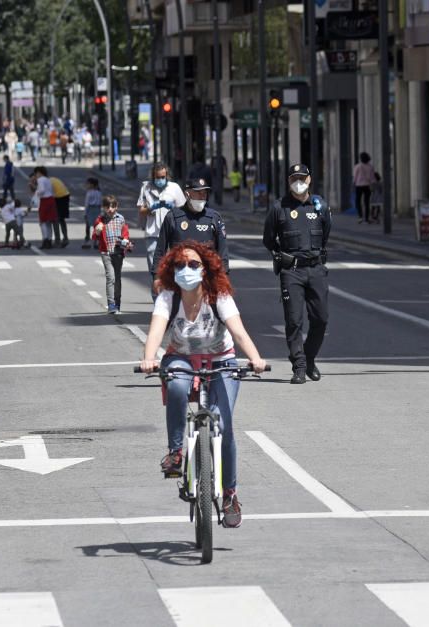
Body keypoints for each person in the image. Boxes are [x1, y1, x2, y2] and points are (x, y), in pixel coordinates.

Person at [139, 242, 268, 529]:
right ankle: (176, 452)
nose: (187, 270)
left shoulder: (218, 296)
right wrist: (149, 358)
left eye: (194, 264)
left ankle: (230, 495)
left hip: (221, 359)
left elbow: (238, 331)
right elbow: (156, 331)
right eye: (180, 265)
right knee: (175, 386)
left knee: (225, 424)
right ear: (172, 270)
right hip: (181, 358)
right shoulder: (168, 297)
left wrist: (256, 359)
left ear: (205, 268)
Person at [262, 164, 331, 384]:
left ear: (309, 180)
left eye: (302, 178)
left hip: (316, 269)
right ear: (288, 181)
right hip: (291, 271)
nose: (298, 182)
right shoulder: (278, 208)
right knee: (293, 321)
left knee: (321, 319)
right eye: (294, 178)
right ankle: (299, 366)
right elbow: (268, 239)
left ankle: (309, 358)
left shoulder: (319, 206)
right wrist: (283, 257)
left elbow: (326, 234)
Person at [151, 178, 230, 291]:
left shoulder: (214, 218)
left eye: (204, 193)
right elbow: (160, 249)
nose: (202, 196)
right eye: (198, 192)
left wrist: (224, 276)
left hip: (207, 278)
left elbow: (223, 251)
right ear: (187, 194)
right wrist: (156, 276)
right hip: (179, 277)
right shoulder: (173, 217)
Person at [138, 163, 187, 290]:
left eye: (162, 177)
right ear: (153, 176)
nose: (160, 180)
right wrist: (152, 207)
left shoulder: (174, 187)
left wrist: (173, 207)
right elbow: (141, 210)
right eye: (157, 177)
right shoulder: (146, 188)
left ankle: (173, 299)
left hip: (172, 234)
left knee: (174, 267)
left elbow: (184, 209)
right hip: (153, 234)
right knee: (155, 271)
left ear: (167, 176)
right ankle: (158, 303)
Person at [93, 195, 131, 313]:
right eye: (107, 206)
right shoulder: (100, 219)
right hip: (106, 252)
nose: (110, 209)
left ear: (116, 207)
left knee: (118, 278)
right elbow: (94, 236)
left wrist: (126, 242)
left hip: (118, 252)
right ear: (103, 207)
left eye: (113, 206)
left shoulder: (120, 219)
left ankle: (117, 302)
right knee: (111, 277)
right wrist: (97, 231)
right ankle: (111, 304)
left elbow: (125, 234)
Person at [32, 166, 58, 248]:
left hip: (45, 201)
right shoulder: (47, 179)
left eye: (36, 174)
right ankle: (50, 240)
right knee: (49, 222)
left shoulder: (40, 180)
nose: (35, 176)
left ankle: (45, 239)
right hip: (51, 200)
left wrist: (37, 193)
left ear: (39, 172)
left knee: (43, 222)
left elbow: (42, 190)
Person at [353, 152, 379, 224]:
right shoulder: (370, 167)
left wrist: (353, 183)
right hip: (367, 186)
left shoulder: (358, 166)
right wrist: (374, 184)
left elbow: (355, 177)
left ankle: (360, 216)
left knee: (358, 201)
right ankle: (367, 218)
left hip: (359, 185)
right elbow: (372, 177)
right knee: (366, 202)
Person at [51, 174, 71, 247]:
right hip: (65, 196)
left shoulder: (46, 182)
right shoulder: (51, 179)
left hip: (59, 198)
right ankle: (65, 238)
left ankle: (57, 240)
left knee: (55, 219)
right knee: (61, 219)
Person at [83, 177, 102, 248]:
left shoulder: (89, 193)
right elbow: (100, 203)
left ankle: (87, 241)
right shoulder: (99, 193)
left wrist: (85, 213)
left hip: (90, 209)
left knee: (88, 225)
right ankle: (96, 242)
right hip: (97, 210)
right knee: (96, 226)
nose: (87, 185)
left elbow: (86, 204)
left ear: (92, 185)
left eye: (88, 184)